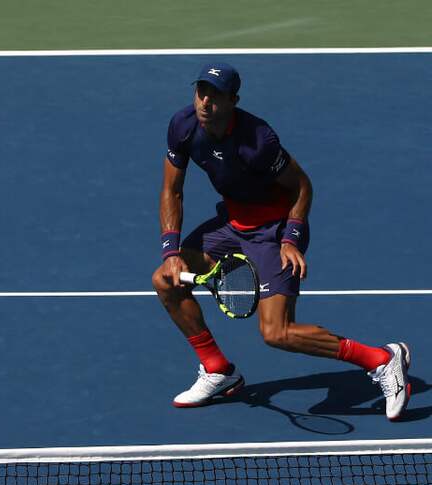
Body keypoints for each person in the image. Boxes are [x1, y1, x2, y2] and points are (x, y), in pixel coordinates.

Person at [152, 63, 411, 420]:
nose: (205, 101)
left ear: (233, 100)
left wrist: (290, 239)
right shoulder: (182, 126)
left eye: (215, 94)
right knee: (165, 280)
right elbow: (172, 190)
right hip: (230, 223)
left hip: (272, 230)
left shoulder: (258, 140)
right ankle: (218, 370)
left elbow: (302, 187)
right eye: (201, 91)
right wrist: (171, 250)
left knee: (278, 333)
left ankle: (382, 359)